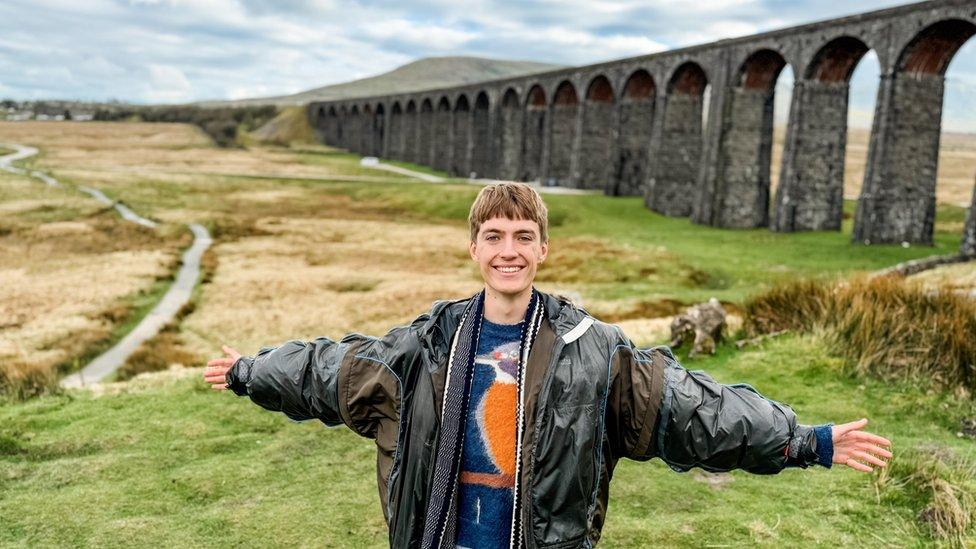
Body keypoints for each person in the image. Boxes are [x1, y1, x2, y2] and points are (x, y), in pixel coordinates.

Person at [204, 182, 892, 548]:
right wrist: (246, 371)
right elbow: (328, 371)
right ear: (475, 248)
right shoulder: (426, 345)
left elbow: (693, 409)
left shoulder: (593, 349)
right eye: (495, 235)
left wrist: (807, 440)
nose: (510, 248)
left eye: (523, 236)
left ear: (543, 250)